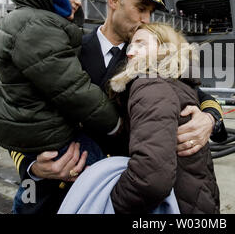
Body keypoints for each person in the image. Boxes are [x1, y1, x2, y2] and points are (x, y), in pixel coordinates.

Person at [10, 0, 226, 212]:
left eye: (151, 12)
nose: (147, 20)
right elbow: (18, 109)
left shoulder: (147, 58)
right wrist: (31, 167)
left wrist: (209, 119)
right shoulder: (65, 49)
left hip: (115, 192)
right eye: (141, 8)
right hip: (55, 189)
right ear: (113, 1)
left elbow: (199, 97)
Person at [0, 0, 119, 214]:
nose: (79, 1)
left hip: (43, 135)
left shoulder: (39, 27)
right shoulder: (39, 29)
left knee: (34, 197)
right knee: (96, 175)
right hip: (47, 140)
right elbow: (72, 88)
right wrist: (115, 123)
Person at [60, 23, 220, 213]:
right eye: (131, 46)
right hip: (196, 198)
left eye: (140, 44)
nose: (130, 52)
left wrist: (109, 203)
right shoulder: (174, 80)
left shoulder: (150, 84)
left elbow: (151, 179)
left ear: (164, 48)